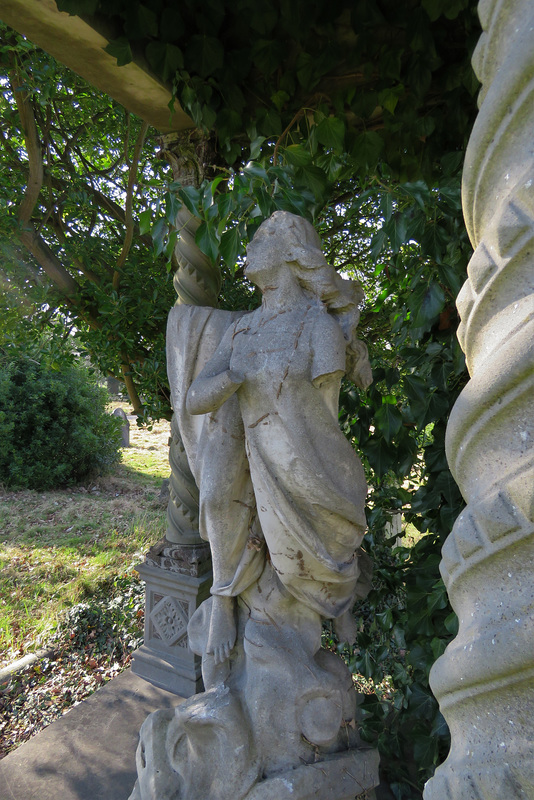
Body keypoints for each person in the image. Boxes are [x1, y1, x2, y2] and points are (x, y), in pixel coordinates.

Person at [183, 211, 371, 664]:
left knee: (311, 539)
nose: (249, 244)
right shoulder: (242, 328)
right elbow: (194, 399)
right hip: (242, 442)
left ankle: (333, 595)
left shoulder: (318, 328)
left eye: (263, 236)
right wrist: (232, 375)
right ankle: (224, 598)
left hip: (300, 455)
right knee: (214, 498)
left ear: (291, 253)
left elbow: (326, 420)